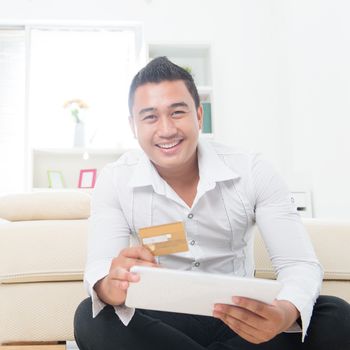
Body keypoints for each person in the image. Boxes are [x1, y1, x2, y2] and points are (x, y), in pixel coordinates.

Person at [74, 57, 350, 350]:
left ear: (199, 116)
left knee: (336, 317)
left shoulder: (252, 171)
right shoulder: (115, 180)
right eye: (150, 117)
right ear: (133, 125)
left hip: (242, 317)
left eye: (177, 112)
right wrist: (110, 285)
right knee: (90, 318)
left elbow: (298, 263)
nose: (166, 129)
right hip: (165, 319)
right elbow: (101, 266)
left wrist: (284, 313)